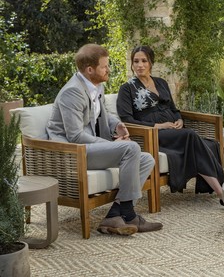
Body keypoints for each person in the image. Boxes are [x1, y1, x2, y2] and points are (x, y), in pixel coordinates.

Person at [47, 44, 163, 235]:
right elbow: (75, 136)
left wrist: (116, 125)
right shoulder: (72, 92)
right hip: (72, 153)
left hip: (86, 147)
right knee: (131, 148)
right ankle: (129, 214)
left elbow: (104, 113)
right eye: (104, 66)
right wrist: (111, 145)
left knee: (147, 159)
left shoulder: (95, 85)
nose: (109, 70)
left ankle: (114, 215)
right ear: (90, 69)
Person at [116, 45, 224, 209]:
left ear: (151, 63)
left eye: (144, 61)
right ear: (132, 64)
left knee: (201, 142)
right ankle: (223, 187)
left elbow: (174, 109)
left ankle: (223, 192)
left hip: (174, 130)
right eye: (136, 61)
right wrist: (159, 126)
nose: (140, 65)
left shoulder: (161, 83)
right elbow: (127, 120)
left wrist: (179, 120)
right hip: (153, 134)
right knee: (190, 136)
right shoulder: (127, 89)